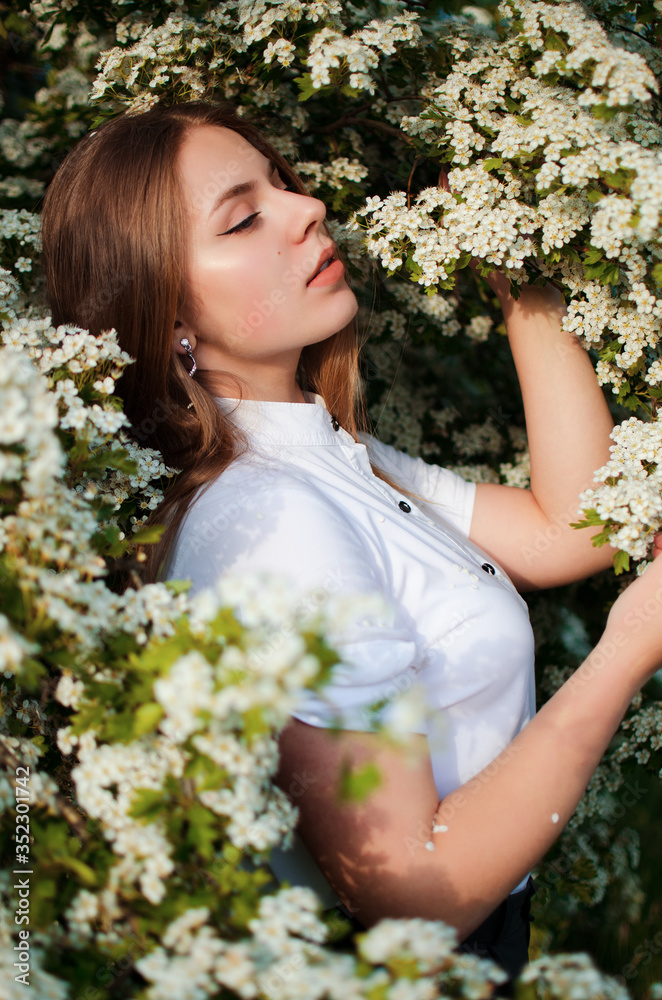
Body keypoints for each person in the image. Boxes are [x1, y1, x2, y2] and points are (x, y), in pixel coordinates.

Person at [40, 101, 662, 991]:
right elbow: (410, 891)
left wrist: (524, 284)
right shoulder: (266, 519)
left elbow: (571, 528)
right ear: (168, 311)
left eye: (282, 184)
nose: (308, 208)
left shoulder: (318, 450)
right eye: (243, 219)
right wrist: (630, 646)